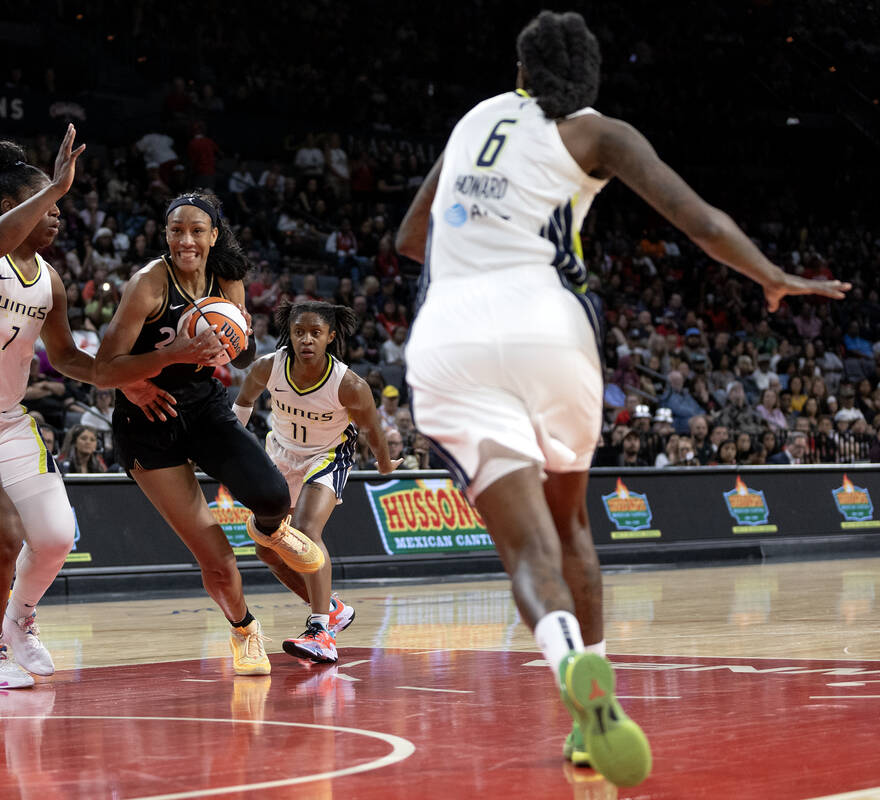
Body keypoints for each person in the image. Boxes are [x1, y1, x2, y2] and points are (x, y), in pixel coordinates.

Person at [394, 10, 848, 787]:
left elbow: (410, 239)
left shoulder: (473, 120)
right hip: (548, 330)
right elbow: (698, 220)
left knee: (527, 551)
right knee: (570, 526)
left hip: (450, 340)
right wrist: (774, 275)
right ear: (589, 77)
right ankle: (592, 699)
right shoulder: (598, 134)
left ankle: (568, 662)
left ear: (520, 71)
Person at [0, 128, 172, 689]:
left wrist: (131, 380)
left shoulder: (51, 281)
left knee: (55, 537)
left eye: (60, 206)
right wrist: (53, 188)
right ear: (10, 208)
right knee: (2, 536)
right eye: (47, 204)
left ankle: (19, 619)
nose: (58, 215)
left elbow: (70, 359)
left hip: (5, 416)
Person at [93, 190, 325, 676]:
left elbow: (241, 355)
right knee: (217, 558)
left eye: (197, 230)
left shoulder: (227, 277)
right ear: (166, 234)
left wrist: (233, 337)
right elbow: (102, 369)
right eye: (177, 230)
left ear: (213, 235)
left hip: (201, 403)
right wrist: (163, 363)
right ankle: (244, 629)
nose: (186, 240)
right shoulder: (148, 284)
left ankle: (271, 531)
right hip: (148, 418)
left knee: (273, 495)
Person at [233, 300, 397, 663]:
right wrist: (226, 453)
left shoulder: (348, 384)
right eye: (299, 332)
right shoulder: (268, 367)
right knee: (267, 549)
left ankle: (320, 630)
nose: (306, 339)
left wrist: (385, 463)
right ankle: (333, 609)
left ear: (330, 337)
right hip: (281, 453)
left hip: (328, 454)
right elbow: (242, 406)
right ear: (289, 335)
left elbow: (371, 428)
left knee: (305, 532)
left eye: (315, 333)